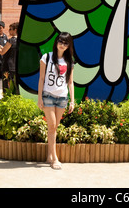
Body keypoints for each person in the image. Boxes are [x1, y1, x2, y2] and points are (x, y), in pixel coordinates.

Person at [38, 32, 75, 170]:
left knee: (54, 128)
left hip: (62, 97)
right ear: (56, 41)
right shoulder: (46, 57)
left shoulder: (69, 61)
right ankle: (55, 159)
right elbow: (41, 78)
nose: (63, 45)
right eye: (61, 41)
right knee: (52, 125)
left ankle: (49, 155)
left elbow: (70, 82)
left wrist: (72, 101)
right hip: (48, 95)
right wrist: (39, 98)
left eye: (66, 43)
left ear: (68, 45)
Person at [0, 22, 19, 94]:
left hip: (8, 67)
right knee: (15, 87)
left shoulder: (11, 40)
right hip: (16, 66)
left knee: (7, 87)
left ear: (15, 30)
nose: (9, 31)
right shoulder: (19, 40)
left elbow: (2, 52)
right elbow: (7, 49)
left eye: (10, 29)